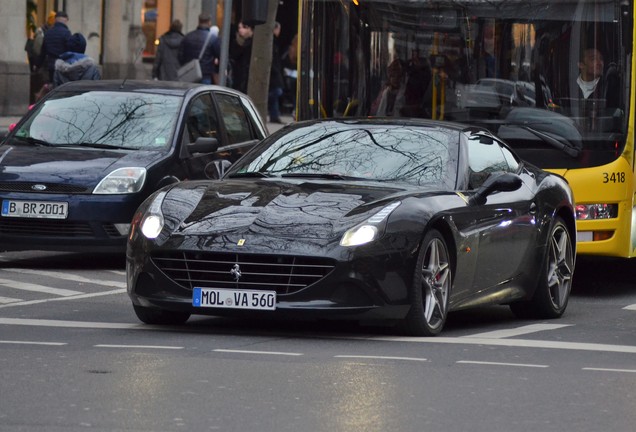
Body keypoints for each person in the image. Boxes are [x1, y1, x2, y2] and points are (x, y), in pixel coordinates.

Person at [178, 13, 219, 84]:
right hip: (205, 74)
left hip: (190, 73)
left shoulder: (188, 36)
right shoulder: (213, 39)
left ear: (199, 21)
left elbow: (180, 56)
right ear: (209, 22)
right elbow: (219, 56)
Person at [37, 11, 72, 83]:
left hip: (51, 66)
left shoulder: (48, 33)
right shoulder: (67, 33)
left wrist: (37, 65)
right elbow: (70, 50)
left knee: (52, 86)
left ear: (55, 20)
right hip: (63, 66)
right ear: (66, 20)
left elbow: (43, 52)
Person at [230, 21, 254, 94]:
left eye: (244, 27)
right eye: (239, 28)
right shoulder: (236, 42)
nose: (241, 30)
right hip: (238, 75)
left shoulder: (252, 42)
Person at [268, 22, 285, 123]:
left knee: (276, 92)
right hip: (274, 73)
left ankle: (274, 114)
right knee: (277, 91)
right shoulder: (273, 42)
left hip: (275, 72)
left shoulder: (274, 42)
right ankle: (274, 114)